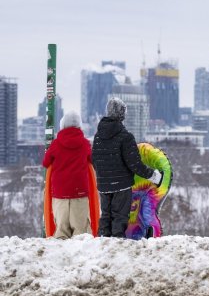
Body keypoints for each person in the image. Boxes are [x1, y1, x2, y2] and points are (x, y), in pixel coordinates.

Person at [92, 97, 163, 237]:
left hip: (104, 184)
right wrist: (154, 176)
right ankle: (117, 246)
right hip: (122, 186)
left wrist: (105, 176)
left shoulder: (98, 136)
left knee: (106, 216)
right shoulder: (125, 137)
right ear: (122, 114)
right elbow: (135, 164)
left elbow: (95, 160)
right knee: (119, 218)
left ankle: (103, 244)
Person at [42, 111, 92, 239]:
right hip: (80, 191)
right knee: (81, 231)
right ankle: (81, 257)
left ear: (62, 125)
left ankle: (61, 256)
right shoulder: (85, 144)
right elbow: (93, 161)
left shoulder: (55, 144)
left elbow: (46, 162)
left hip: (60, 192)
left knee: (61, 230)